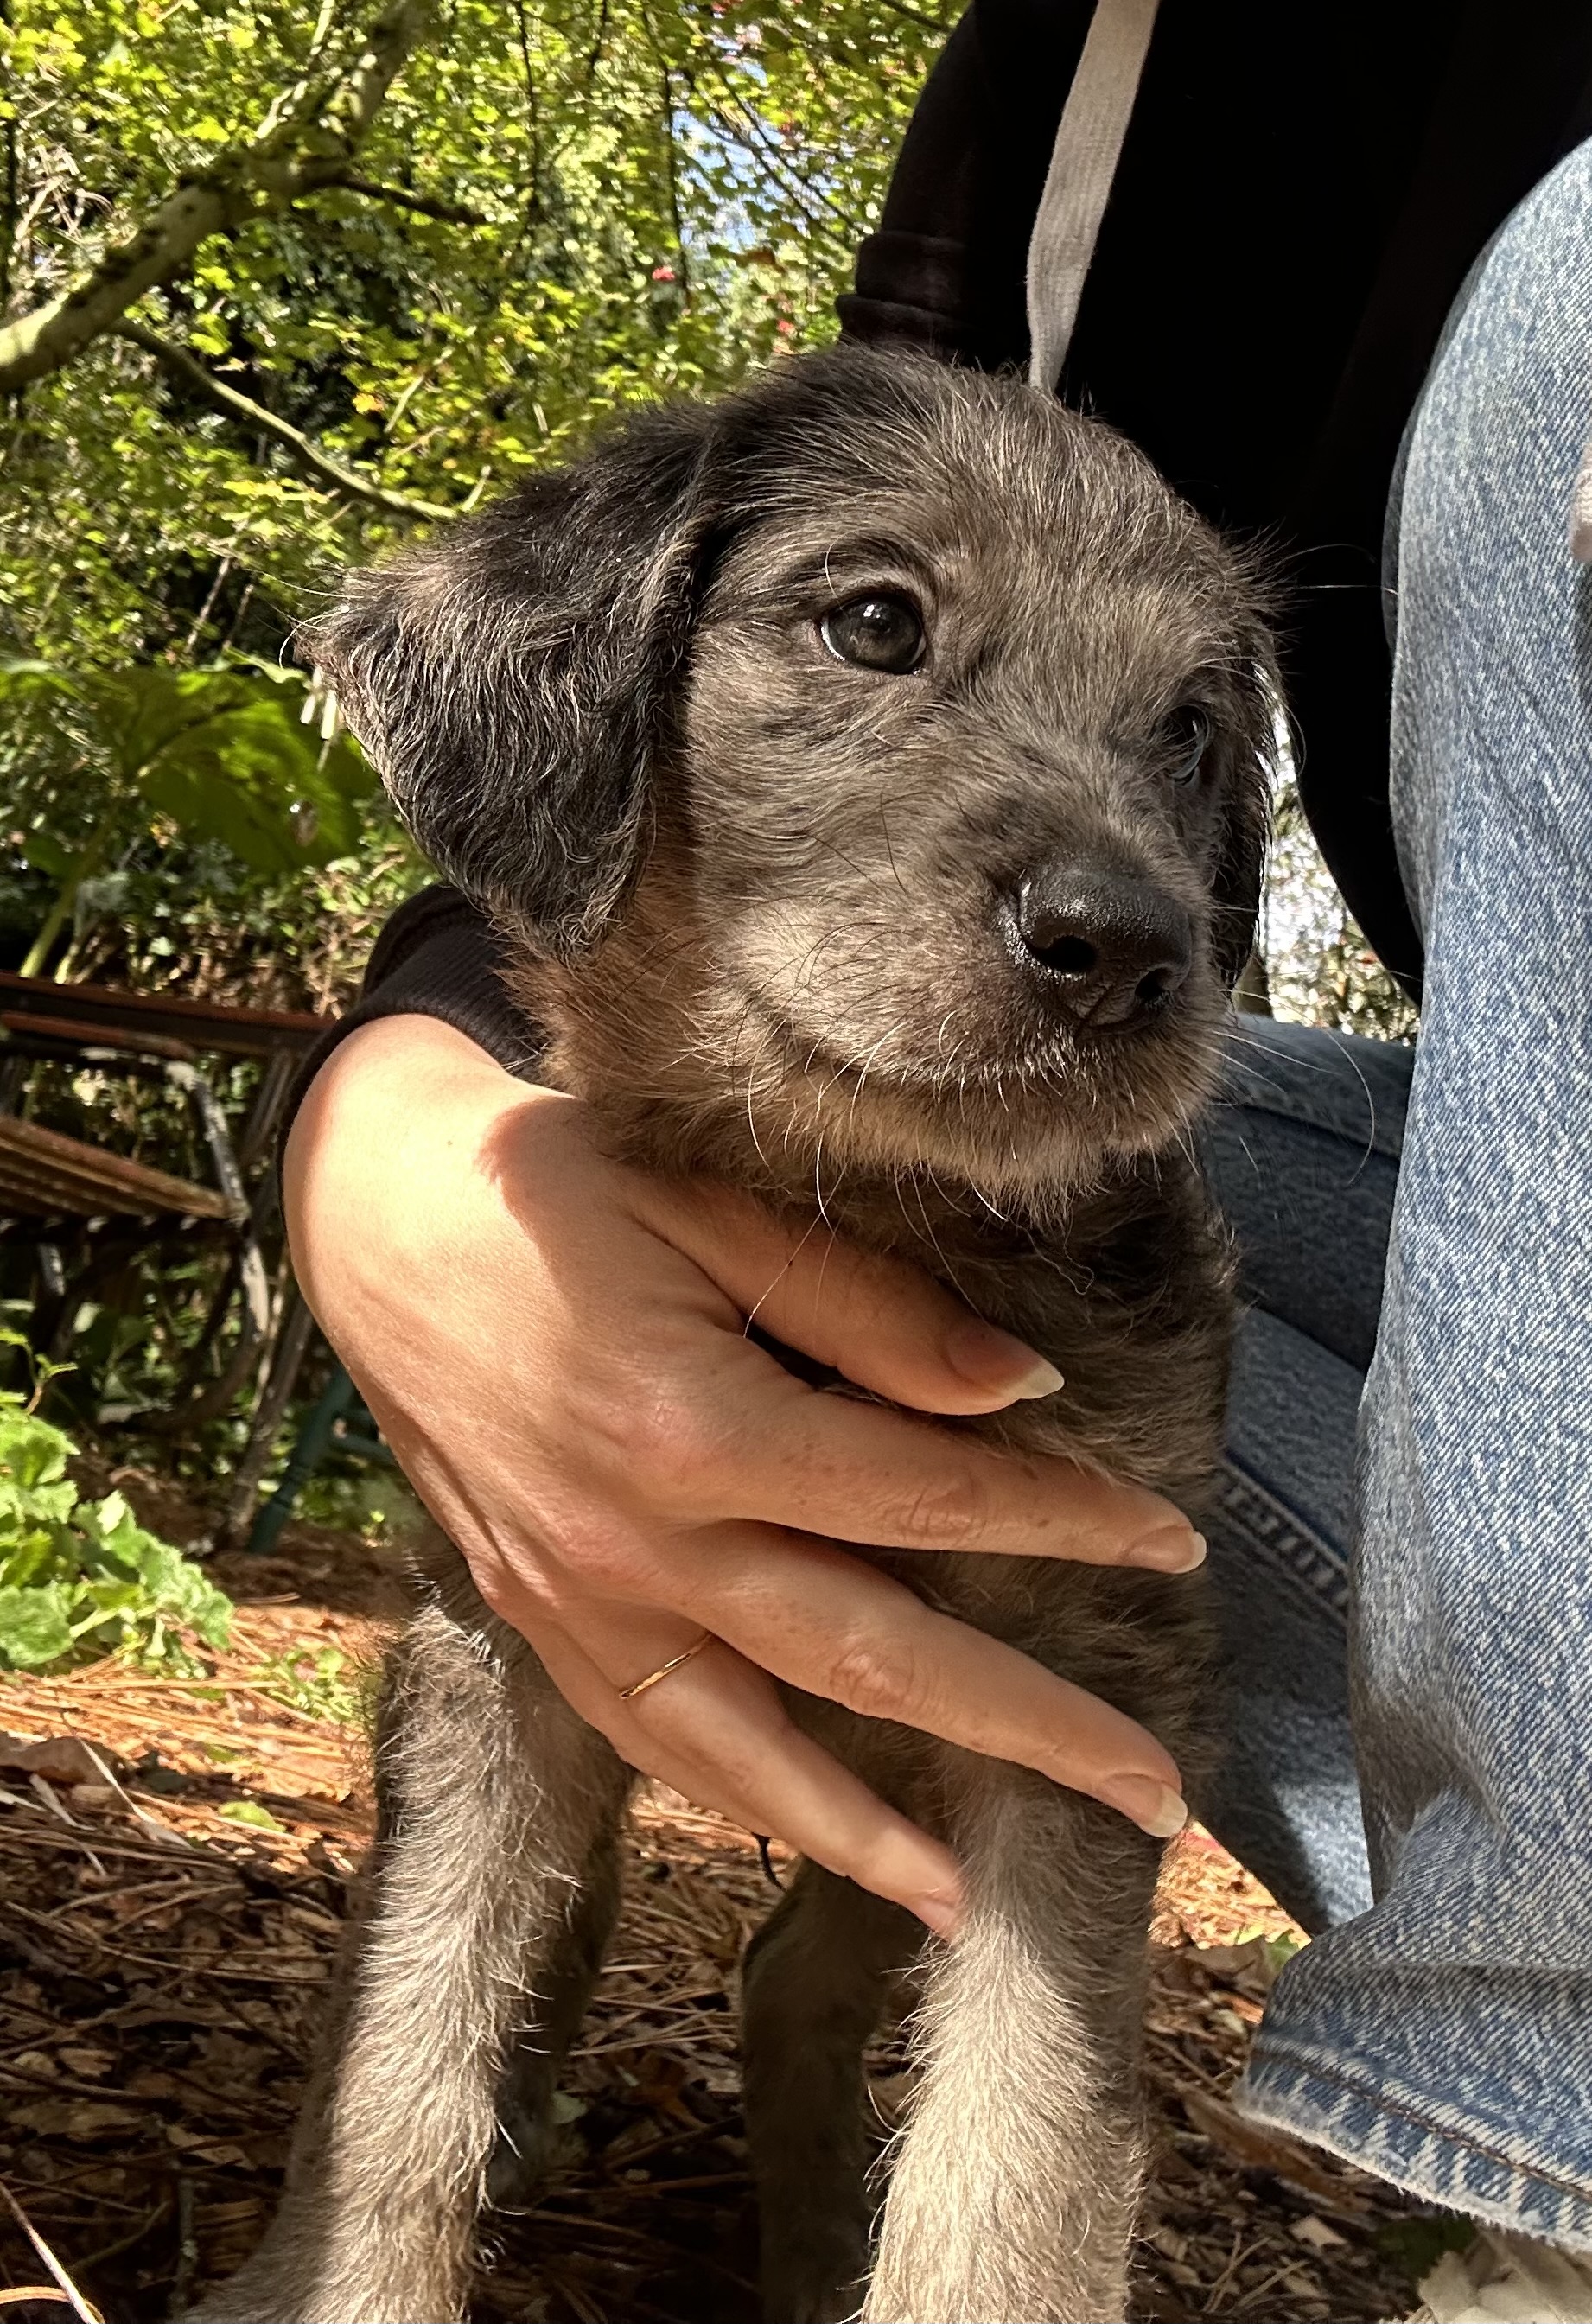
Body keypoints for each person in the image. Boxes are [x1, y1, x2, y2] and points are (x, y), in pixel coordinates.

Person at [283, 4, 1592, 2312]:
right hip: (1421, 1202)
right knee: (574, 1643)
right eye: (876, 628)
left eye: (1181, 736)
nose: (1120, 889)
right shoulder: (1085, 102)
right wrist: (396, 1127)